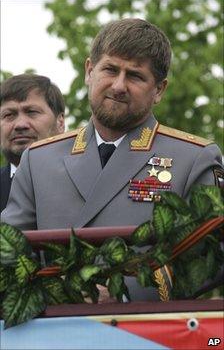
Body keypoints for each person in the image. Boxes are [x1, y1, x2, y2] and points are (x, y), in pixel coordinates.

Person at [1, 19, 223, 301]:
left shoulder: (193, 158)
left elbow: (211, 258)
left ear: (159, 90)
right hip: (53, 331)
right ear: (89, 71)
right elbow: (7, 250)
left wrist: (125, 295)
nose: (118, 86)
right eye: (110, 69)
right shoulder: (39, 159)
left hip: (145, 334)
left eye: (135, 76)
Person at [0, 74, 65, 212]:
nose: (20, 124)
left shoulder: (87, 181)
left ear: (60, 122)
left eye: (32, 112)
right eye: (9, 115)